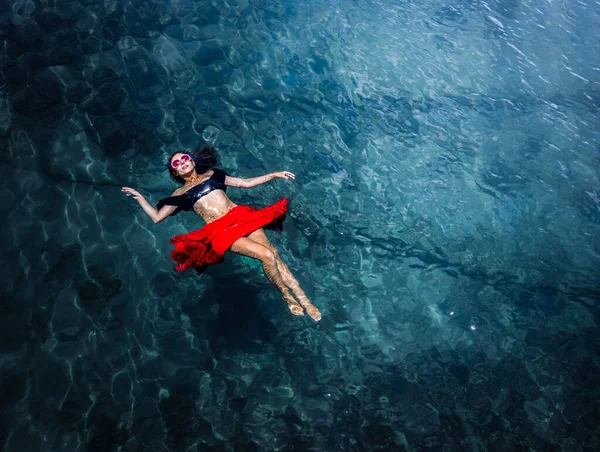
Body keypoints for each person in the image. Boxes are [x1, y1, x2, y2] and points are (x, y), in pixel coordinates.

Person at [121, 145, 321, 321]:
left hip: (242, 216)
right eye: (176, 164)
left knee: (275, 253)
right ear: (174, 172)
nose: (181, 163)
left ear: (191, 160)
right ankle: (287, 297)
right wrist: (139, 197)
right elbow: (157, 217)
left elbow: (245, 183)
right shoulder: (179, 195)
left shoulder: (213, 175)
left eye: (184, 159)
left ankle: (304, 299)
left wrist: (274, 175)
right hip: (220, 230)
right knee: (267, 256)